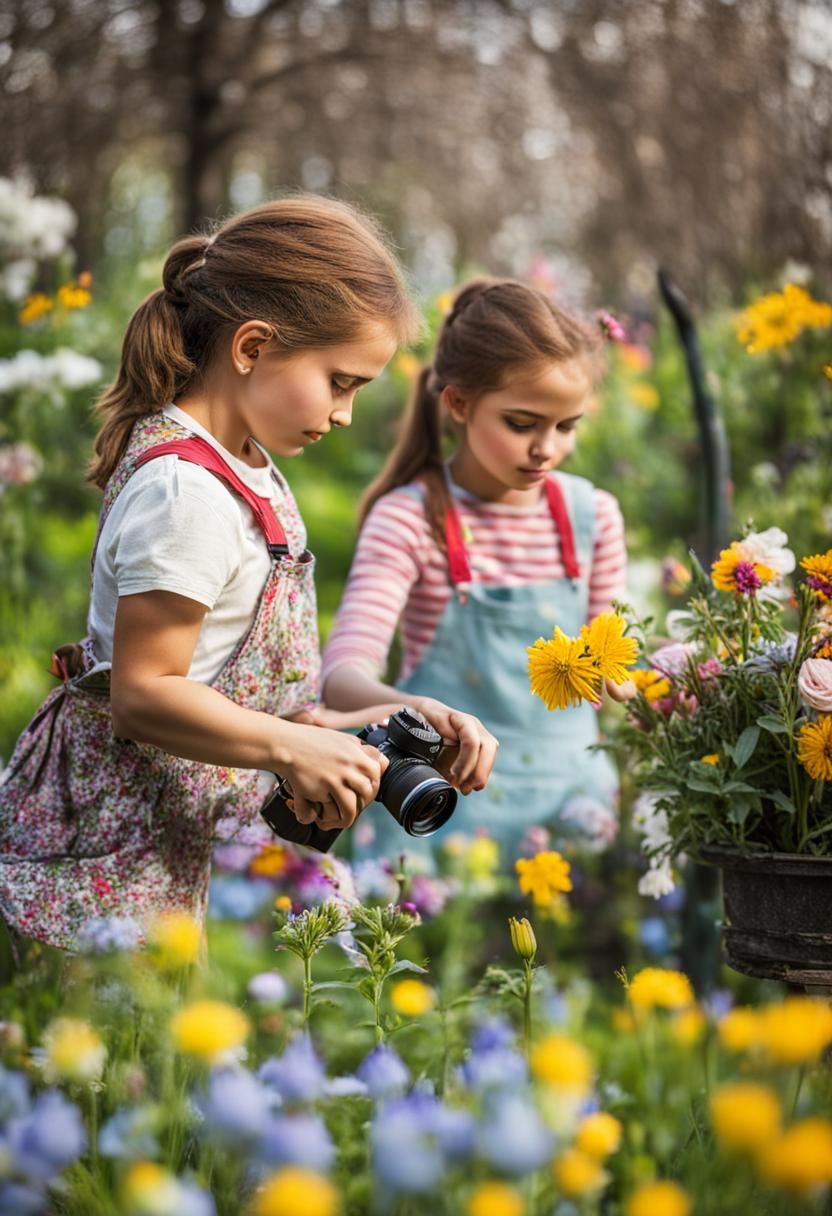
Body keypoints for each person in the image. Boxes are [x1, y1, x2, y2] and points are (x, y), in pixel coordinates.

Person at [0, 197, 496, 953]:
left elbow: (254, 700)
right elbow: (145, 695)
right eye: (340, 382)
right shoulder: (186, 492)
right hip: (125, 850)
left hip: (194, 834)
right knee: (122, 1063)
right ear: (253, 347)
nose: (346, 415)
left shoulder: (249, 467)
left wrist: (402, 714)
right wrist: (291, 751)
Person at [322, 278, 631, 863]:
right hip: (441, 825)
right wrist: (413, 710)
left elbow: (611, 663)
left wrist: (661, 681)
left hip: (570, 819)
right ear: (459, 404)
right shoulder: (411, 520)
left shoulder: (594, 517)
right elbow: (342, 676)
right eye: (522, 423)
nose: (548, 449)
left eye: (567, 426)